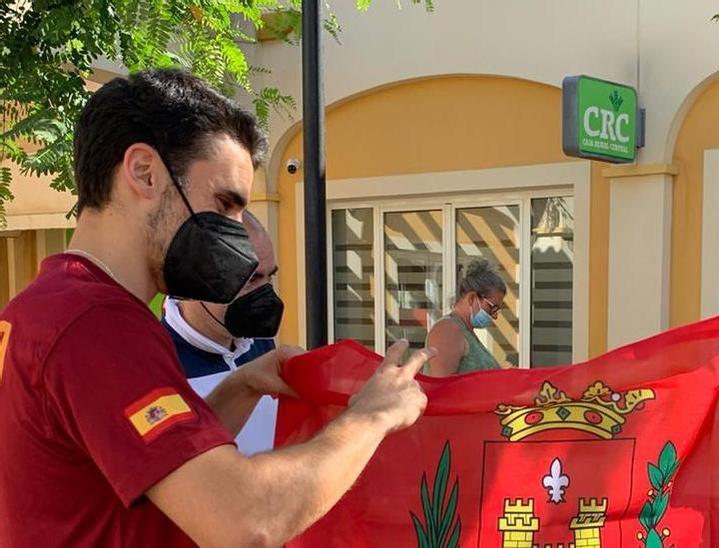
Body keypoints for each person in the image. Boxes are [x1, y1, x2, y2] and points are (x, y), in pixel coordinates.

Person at [0, 69, 428, 547]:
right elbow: (245, 521)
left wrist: (240, 387)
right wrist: (373, 416)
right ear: (144, 172)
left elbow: (147, 469)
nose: (237, 234)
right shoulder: (98, 322)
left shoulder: (43, 306)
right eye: (225, 204)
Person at [163, 210, 282, 455]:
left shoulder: (259, 343)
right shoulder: (156, 365)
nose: (265, 294)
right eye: (251, 279)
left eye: (269, 277)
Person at [426, 259, 507, 376]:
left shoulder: (465, 331)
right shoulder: (448, 330)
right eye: (492, 308)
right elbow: (441, 386)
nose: (494, 316)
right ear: (472, 298)